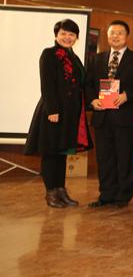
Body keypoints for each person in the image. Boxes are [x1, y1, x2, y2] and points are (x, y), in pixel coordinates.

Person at [25, 19, 92, 208]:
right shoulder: (49, 54)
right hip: (53, 112)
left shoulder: (74, 57)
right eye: (63, 33)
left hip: (70, 114)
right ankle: (51, 194)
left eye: (71, 34)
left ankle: (61, 191)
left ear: (76, 37)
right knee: (50, 153)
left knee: (62, 153)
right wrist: (52, 110)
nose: (67, 37)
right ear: (56, 35)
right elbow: (47, 84)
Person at [85, 20, 133, 208]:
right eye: (112, 33)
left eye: (119, 33)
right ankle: (106, 195)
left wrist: (127, 95)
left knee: (125, 157)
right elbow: (88, 84)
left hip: (125, 116)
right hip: (102, 117)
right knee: (104, 158)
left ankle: (123, 196)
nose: (115, 36)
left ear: (127, 36)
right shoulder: (97, 59)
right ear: (107, 36)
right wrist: (93, 100)